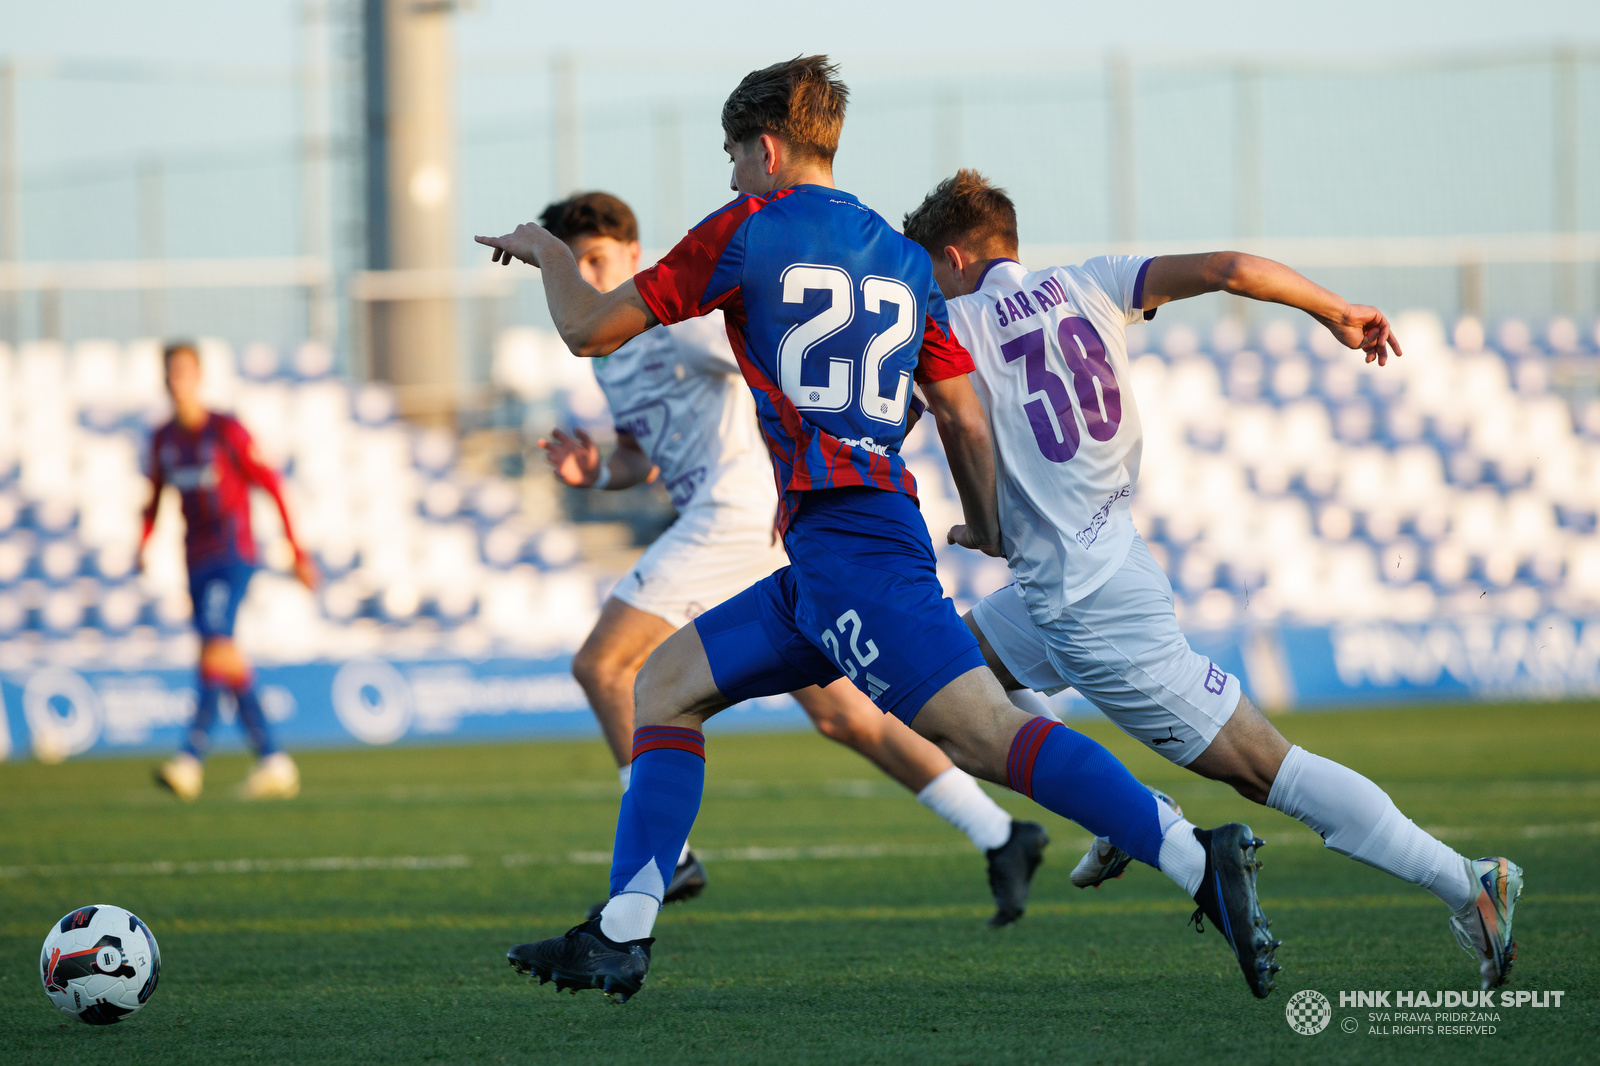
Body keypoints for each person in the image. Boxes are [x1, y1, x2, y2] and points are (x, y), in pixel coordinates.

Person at [478, 57, 1278, 1003]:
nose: (731, 174)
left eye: (735, 155)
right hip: (838, 545)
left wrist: (546, 251)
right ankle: (621, 931)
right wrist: (982, 524)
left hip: (848, 548)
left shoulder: (748, 227)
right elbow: (962, 415)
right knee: (664, 683)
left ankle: (1195, 858)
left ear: (767, 148)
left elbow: (589, 329)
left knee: (983, 737)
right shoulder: (901, 256)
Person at [901, 169, 1522, 992]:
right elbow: (1229, 266)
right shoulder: (1090, 281)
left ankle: (1470, 882)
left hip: (1088, 607)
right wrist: (1333, 309)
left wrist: (978, 522)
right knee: (947, 690)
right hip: (1097, 561)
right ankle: (1114, 804)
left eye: (928, 270)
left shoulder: (951, 324)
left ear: (949, 257)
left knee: (1266, 769)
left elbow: (925, 416)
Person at [536, 189, 1048, 926]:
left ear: (631, 257)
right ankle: (1000, 832)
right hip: (737, 525)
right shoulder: (611, 360)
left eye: (598, 261)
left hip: (740, 514)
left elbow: (787, 358)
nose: (587, 276)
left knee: (604, 665)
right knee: (847, 715)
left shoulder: (676, 332)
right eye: (575, 266)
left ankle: (666, 863)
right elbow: (638, 457)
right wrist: (598, 473)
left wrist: (810, 459)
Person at [146, 341, 318, 801]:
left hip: (232, 554)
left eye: (184, 371)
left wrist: (296, 550)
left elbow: (271, 485)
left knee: (215, 648)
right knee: (223, 658)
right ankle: (274, 761)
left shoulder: (225, 431)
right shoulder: (163, 439)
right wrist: (144, 542)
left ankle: (189, 759)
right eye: (170, 372)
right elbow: (154, 495)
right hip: (194, 560)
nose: (176, 380)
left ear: (198, 377)